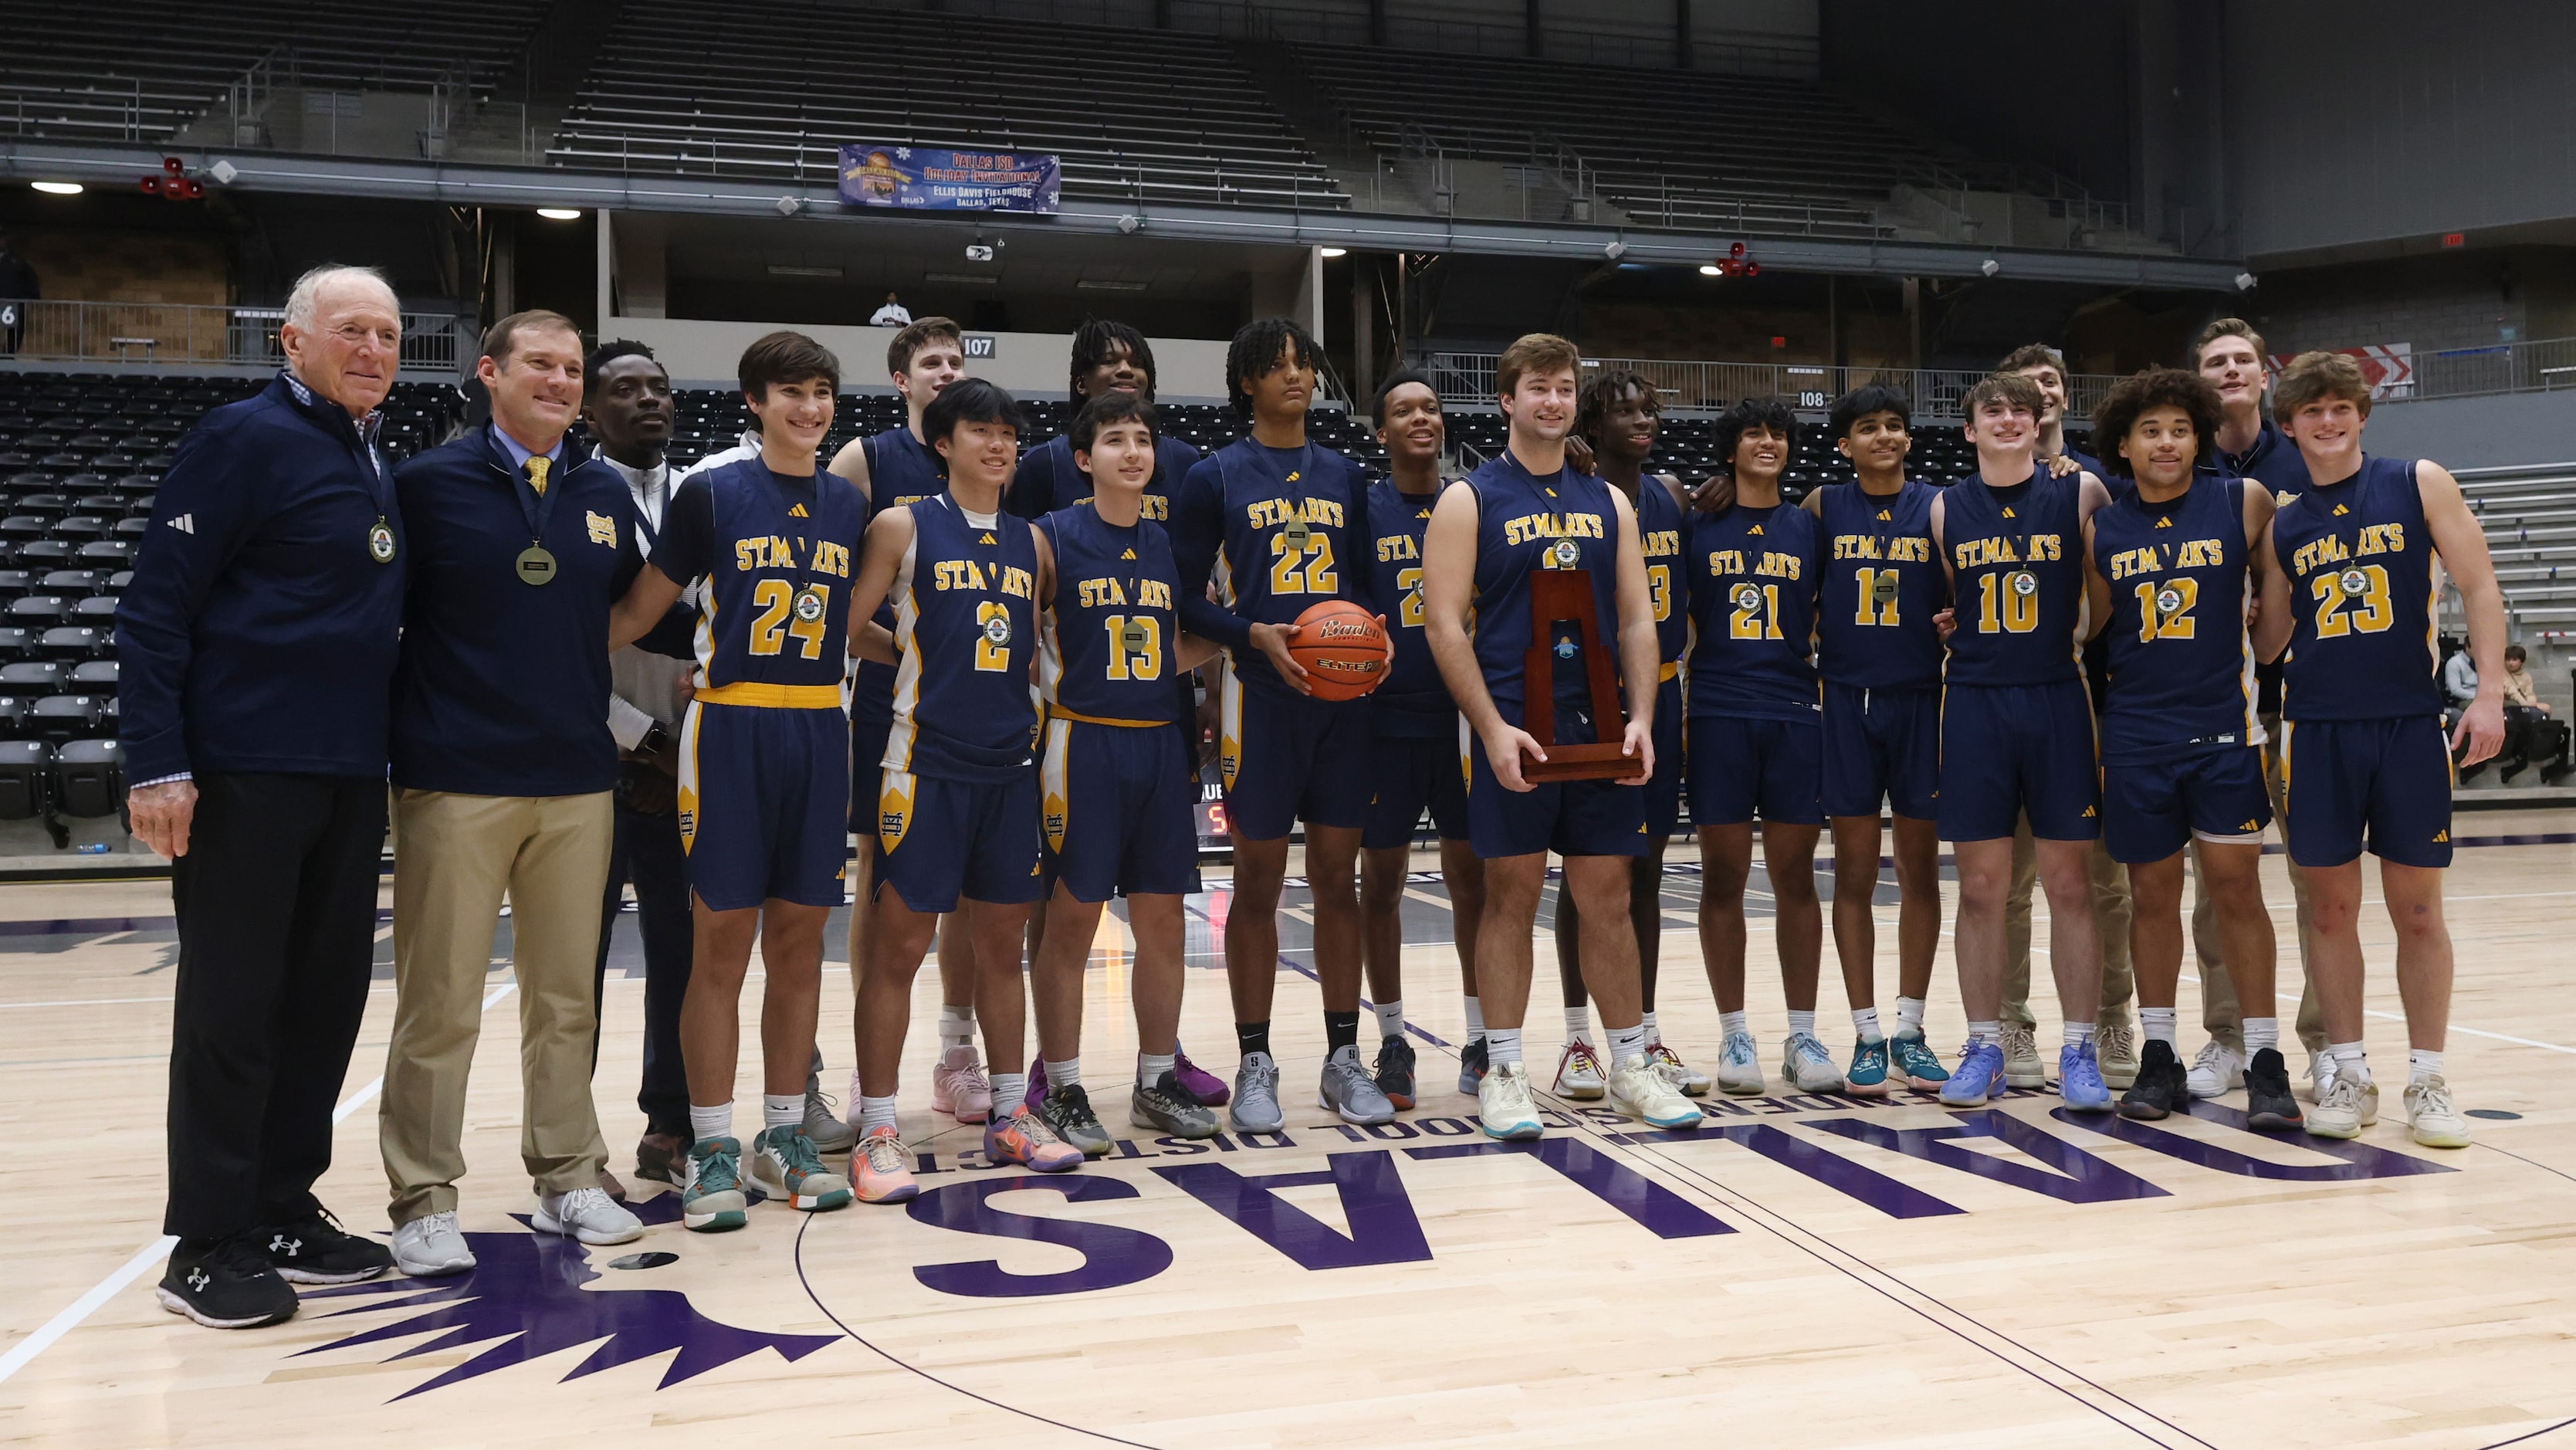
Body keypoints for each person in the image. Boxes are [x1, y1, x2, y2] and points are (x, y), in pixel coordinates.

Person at [120, 264, 406, 1328]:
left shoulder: (367, 447)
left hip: (346, 771)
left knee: (322, 1001)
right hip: (244, 769)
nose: (371, 349)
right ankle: (207, 1239)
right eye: (348, 331)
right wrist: (157, 761)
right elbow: (155, 610)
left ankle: (283, 1203)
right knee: (234, 1007)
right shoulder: (240, 438)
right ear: (293, 342)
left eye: (385, 332)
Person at [378, 310, 646, 1273]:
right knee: (440, 1000)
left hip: (576, 779)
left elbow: (620, 612)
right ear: (488, 372)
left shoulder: (603, 488)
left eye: (572, 369)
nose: (561, 381)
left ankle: (568, 1176)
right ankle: (424, 1198)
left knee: (566, 1000)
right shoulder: (422, 486)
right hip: (456, 778)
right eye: (540, 363)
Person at [606, 330, 862, 1231]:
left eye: (823, 391)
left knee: (800, 947)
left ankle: (782, 1137)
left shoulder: (847, 505)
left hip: (819, 728)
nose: (811, 408)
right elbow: (637, 614)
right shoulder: (711, 493)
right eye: (791, 392)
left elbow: (858, 625)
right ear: (754, 402)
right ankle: (712, 1145)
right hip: (731, 728)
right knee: (718, 947)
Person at [1420, 331, 1701, 1138]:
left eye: (1564, 388)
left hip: (1599, 729)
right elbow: (1443, 627)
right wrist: (1489, 728)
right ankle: (1504, 1069)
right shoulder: (1468, 500)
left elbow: (1640, 620)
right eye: (1537, 387)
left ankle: (1631, 1066)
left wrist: (1641, 717)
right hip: (1514, 731)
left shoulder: (1608, 502)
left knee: (1607, 898)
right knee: (1507, 897)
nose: (1552, 401)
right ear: (1506, 400)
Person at [2252, 350, 2506, 1149]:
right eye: (2309, 412)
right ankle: (2348, 1070)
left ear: (2360, 414)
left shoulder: (2416, 480)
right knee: (2327, 909)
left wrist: (2491, 692)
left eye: (2339, 408)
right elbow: (2267, 641)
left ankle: (2427, 1076)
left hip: (2405, 723)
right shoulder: (2284, 522)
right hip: (2314, 728)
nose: (2326, 423)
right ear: (2287, 426)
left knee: (2417, 910)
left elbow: (2479, 585)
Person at [846, 376, 1084, 1198]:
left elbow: (1036, 648)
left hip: (1007, 770)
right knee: (899, 949)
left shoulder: (1034, 542)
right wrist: (911, 659)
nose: (1000, 445)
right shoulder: (901, 525)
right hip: (922, 768)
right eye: (981, 431)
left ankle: (1013, 1116)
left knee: (1000, 952)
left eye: (1009, 434)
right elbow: (849, 625)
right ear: (943, 442)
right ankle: (878, 1126)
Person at [1170, 318, 1390, 1130]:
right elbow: (1186, 595)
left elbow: (1368, 587)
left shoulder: (1344, 474)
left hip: (1341, 707)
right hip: (1257, 700)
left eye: (1303, 364)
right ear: (1245, 383)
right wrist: (1248, 633)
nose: (1295, 376)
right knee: (1257, 886)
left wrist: (1376, 639)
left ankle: (1342, 1057)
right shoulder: (1213, 476)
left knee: (1338, 880)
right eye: (1277, 365)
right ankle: (1255, 1057)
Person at [1007, 318, 1225, 1110]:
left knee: (1164, 918)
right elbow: (1019, 632)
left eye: (1142, 438)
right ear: (1082, 455)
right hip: (1079, 740)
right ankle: (1056, 1078)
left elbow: (1183, 631)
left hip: (1159, 740)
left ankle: (1155, 1073)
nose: (1131, 449)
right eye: (1114, 439)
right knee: (1069, 918)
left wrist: (1224, 668)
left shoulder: (1172, 528)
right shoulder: (1046, 519)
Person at [2076, 368, 2295, 1128]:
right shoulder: (2103, 527)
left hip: (2224, 733)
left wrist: (2269, 617)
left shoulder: (2244, 502)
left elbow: (2273, 625)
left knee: (2237, 893)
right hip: (2136, 737)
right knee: (2151, 897)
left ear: (2199, 436)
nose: (2165, 442)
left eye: (2178, 429)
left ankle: (2264, 1057)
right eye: (2149, 431)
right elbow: (2089, 627)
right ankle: (2159, 1053)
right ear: (2123, 447)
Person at [1929, 371, 2116, 1110]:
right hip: (1973, 703)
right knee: (1980, 890)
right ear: (1969, 428)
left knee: (2070, 886)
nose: (2008, 420)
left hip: (2056, 699)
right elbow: (1951, 597)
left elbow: (2099, 604)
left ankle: (2079, 1050)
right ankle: (1984, 1044)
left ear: (2041, 424)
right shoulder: (1944, 509)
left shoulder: (2081, 493)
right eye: (1991, 411)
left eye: (2021, 410)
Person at [824, 318, 994, 1129]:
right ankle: (870, 1065)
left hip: (973, 710)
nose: (945, 371)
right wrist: (917, 651)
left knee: (962, 880)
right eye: (931, 362)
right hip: (887, 697)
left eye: (956, 362)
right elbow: (833, 602)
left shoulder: (988, 463)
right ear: (901, 380)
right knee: (879, 872)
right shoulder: (865, 460)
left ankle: (957, 1053)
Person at [1547, 370, 1704, 1099]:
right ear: (1590, 423)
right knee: (1586, 869)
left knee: (1645, 865)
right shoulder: (1578, 493)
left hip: (1661, 690)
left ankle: (1641, 1034)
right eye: (1623, 411)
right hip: (1590, 697)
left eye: (1649, 408)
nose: (1641, 420)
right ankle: (1579, 1039)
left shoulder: (1673, 497)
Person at [2185, 317, 2328, 1100]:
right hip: (2217, 708)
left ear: (2265, 376)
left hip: (2303, 698)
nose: (2230, 370)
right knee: (2217, 889)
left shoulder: (2306, 454)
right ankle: (2229, 1036)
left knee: (2317, 878)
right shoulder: (2175, 458)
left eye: (2243, 359)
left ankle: (2323, 1041)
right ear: (2198, 379)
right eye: (2215, 362)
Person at [1683, 397, 1836, 1096]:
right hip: (1717, 710)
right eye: (1752, 433)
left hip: (1793, 710)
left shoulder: (1811, 525)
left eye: (1776, 433)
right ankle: (1733, 1031)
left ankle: (1801, 1032)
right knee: (1722, 878)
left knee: (1796, 878)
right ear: (1730, 448)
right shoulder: (1697, 522)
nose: (1766, 442)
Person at [582, 340, 706, 1187]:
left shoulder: (706, 495)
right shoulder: (569, 496)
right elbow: (563, 643)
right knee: (572, 966)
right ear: (591, 411)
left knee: (682, 951)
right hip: (595, 755)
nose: (648, 401)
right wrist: (637, 736)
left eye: (657, 387)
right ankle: (569, 1139)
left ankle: (671, 1121)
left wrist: (688, 737)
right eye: (625, 390)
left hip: (696, 756)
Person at [1997, 342, 2138, 1091]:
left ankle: (2113, 1013)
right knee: (2013, 881)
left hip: (2095, 699)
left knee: (2102, 880)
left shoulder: (2105, 484)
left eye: (2051, 380)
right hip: (2010, 702)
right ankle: (2011, 1019)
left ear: (2063, 395)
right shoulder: (1973, 493)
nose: (2039, 393)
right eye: (2023, 386)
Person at [1804, 385, 1951, 1094]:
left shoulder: (1939, 506)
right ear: (1844, 444)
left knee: (1920, 873)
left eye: (1895, 425)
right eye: (1868, 428)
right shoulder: (1822, 506)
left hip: (1923, 699)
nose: (1885, 436)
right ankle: (1866, 1032)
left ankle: (1911, 1027)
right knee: (1856, 872)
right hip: (1845, 701)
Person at [1357, 370, 1484, 1107]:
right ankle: (1394, 1040)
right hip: (1384, 719)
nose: (1420, 418)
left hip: (1463, 717)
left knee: (1472, 882)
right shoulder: (1361, 507)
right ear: (1380, 431)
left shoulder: (1472, 501)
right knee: (1383, 884)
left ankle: (1476, 1037)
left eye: (1430, 407)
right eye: (1402, 410)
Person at [0, 230, 35, 354]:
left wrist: (29, 298)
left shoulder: (17, 261)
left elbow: (31, 281)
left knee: (15, 332)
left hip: (11, 303)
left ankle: (8, 354)